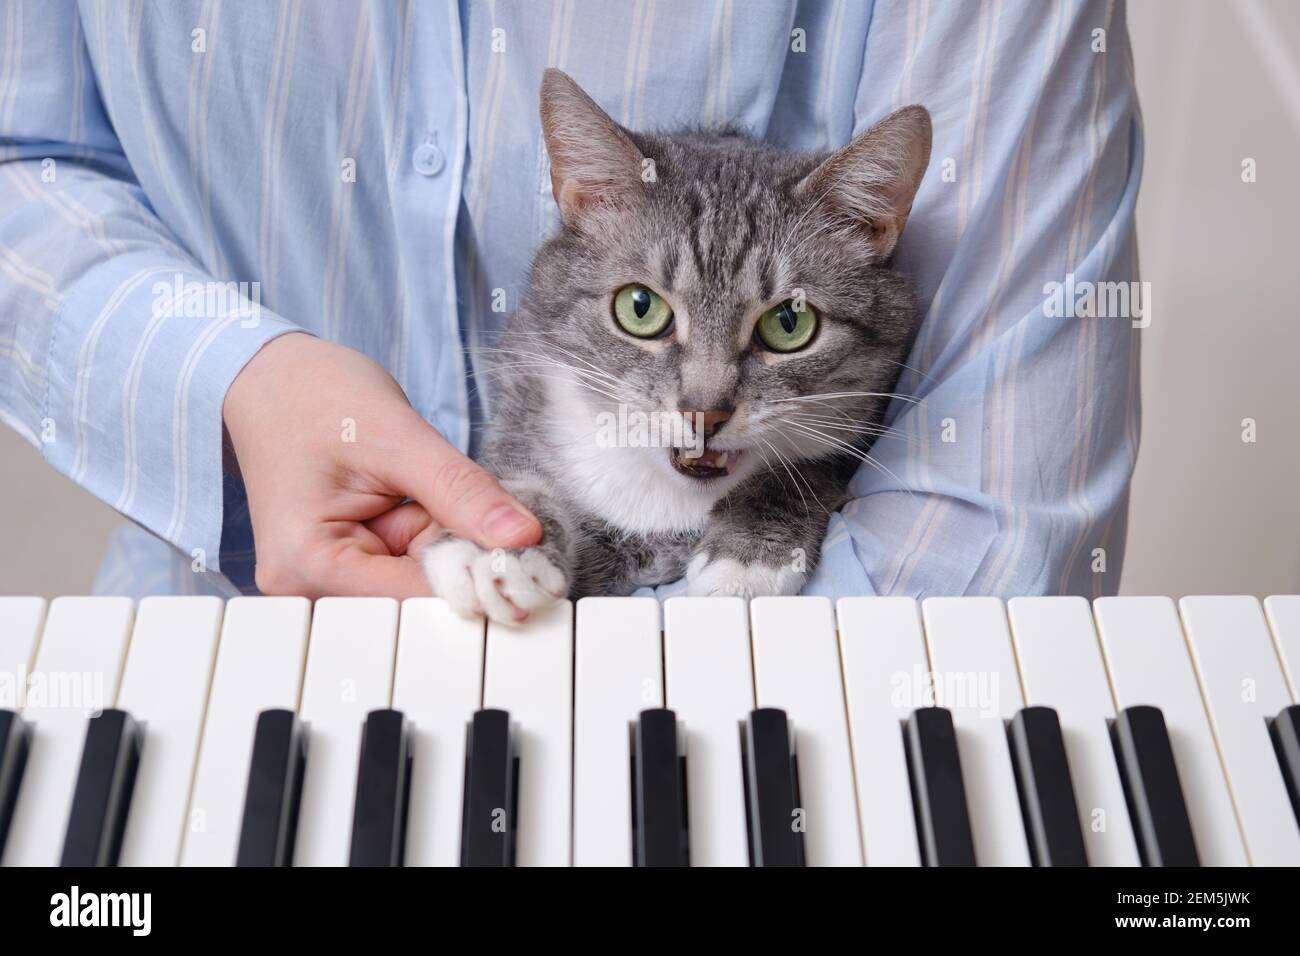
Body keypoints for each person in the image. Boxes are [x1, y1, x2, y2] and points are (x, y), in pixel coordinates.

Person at [0, 0, 1142, 602]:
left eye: (777, 329)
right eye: (649, 318)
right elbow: (23, 158)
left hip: (772, 725)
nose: (704, 398)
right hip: (214, 626)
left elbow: (987, 556)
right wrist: (230, 376)